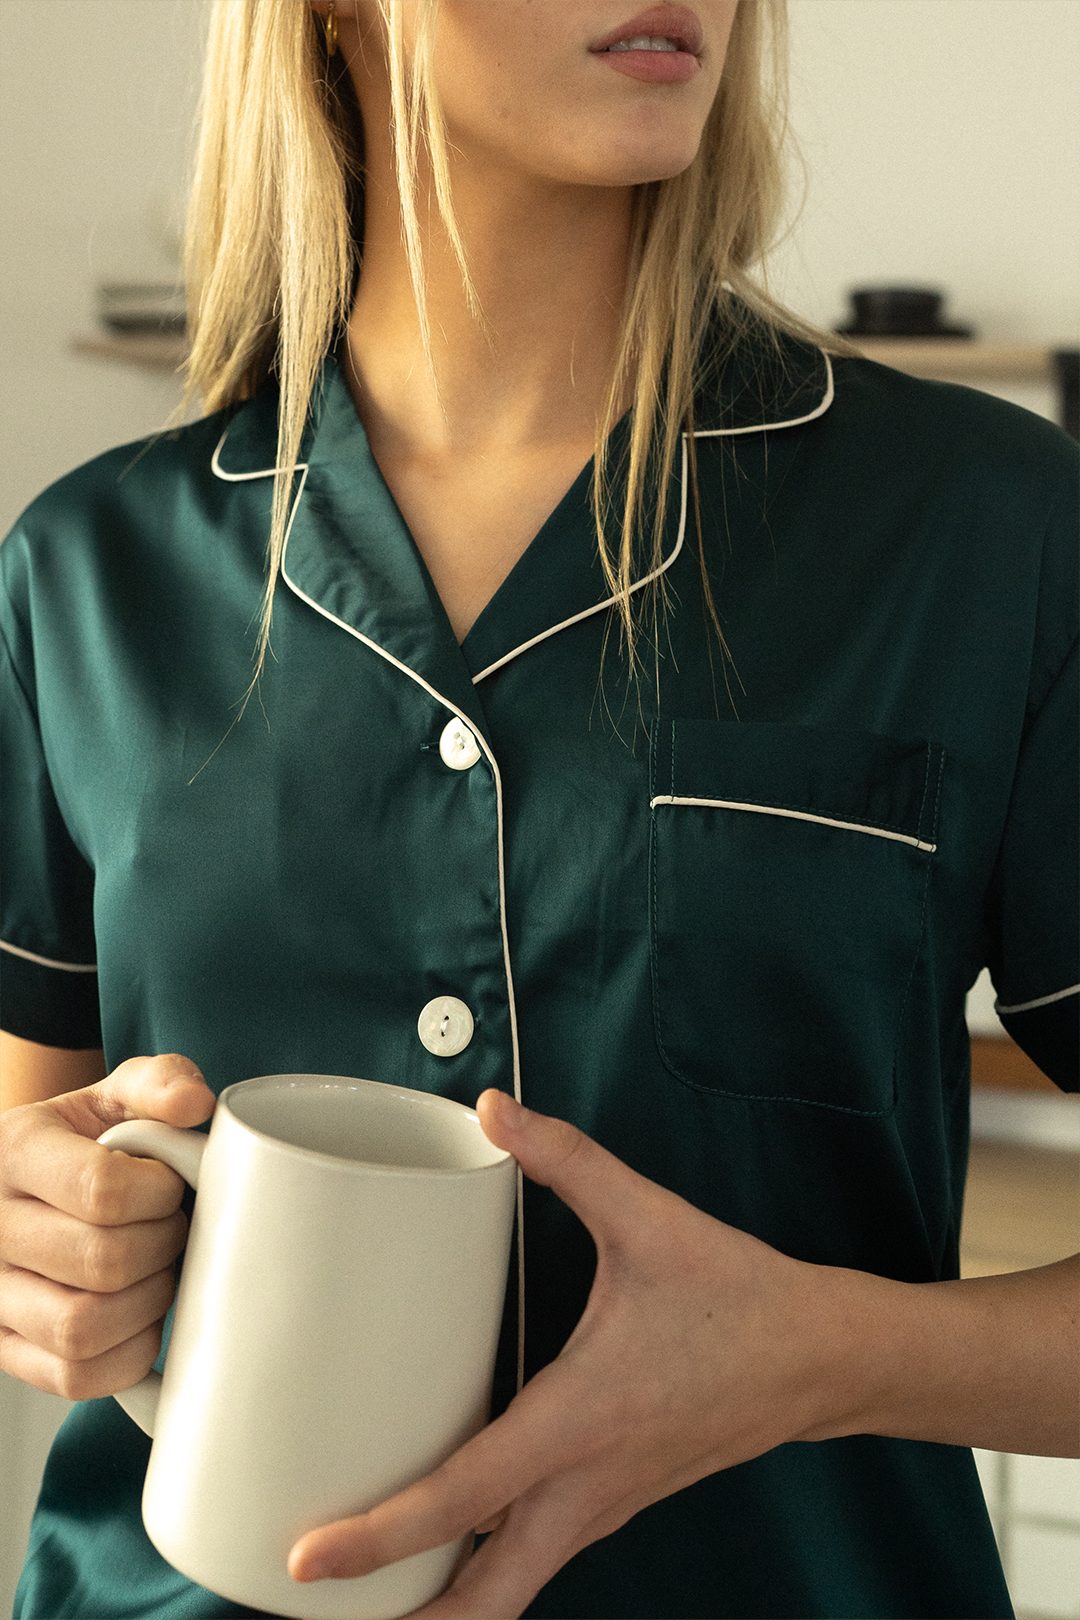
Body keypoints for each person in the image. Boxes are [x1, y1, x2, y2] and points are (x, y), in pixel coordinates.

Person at [0, 1, 1076, 1616]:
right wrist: (53, 1251)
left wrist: (823, 1359)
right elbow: (34, 1155)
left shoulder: (991, 534)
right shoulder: (84, 578)